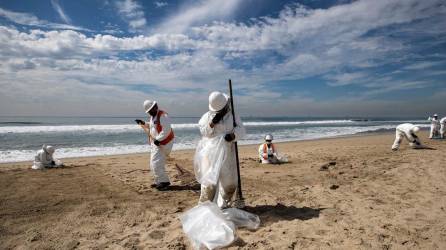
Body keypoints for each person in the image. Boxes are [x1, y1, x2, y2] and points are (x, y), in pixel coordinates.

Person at [194, 91, 245, 208]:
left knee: (229, 182)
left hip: (227, 151)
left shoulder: (233, 116)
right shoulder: (206, 117)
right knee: (209, 182)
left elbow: (242, 130)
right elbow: (204, 132)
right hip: (210, 152)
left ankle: (225, 203)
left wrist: (233, 135)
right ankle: (205, 207)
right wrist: (212, 123)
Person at [139, 100, 175, 190]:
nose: (150, 112)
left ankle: (164, 182)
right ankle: (159, 181)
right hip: (155, 143)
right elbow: (152, 127)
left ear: (155, 106)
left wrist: (158, 139)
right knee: (153, 163)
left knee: (156, 163)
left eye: (152, 109)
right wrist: (143, 123)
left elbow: (166, 130)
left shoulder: (163, 115)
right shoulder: (153, 117)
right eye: (149, 111)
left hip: (164, 143)